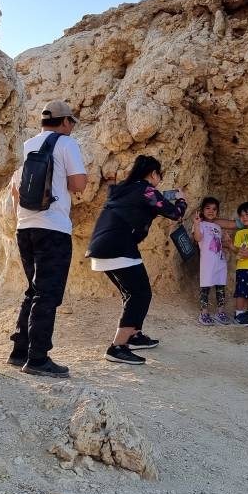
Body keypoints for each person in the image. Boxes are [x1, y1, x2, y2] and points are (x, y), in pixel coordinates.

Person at [9, 100, 87, 378]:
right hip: (53, 228)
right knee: (48, 293)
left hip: (24, 227)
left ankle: (19, 352)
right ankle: (38, 358)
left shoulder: (25, 146)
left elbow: (15, 193)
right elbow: (78, 184)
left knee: (33, 289)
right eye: (72, 123)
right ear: (65, 122)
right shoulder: (66, 144)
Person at [86, 156, 188, 365]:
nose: (159, 180)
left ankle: (134, 335)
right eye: (159, 175)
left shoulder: (123, 189)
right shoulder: (147, 190)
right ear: (153, 174)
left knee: (132, 293)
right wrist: (181, 199)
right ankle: (117, 347)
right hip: (118, 246)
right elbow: (176, 214)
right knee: (140, 293)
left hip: (100, 247)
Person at [192, 197, 230, 326]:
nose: (211, 211)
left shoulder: (217, 227)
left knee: (220, 287)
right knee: (206, 287)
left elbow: (218, 243)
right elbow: (198, 238)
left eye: (214, 209)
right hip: (207, 262)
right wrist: (196, 224)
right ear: (202, 210)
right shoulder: (200, 224)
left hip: (220, 261)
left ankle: (220, 312)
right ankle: (204, 313)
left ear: (217, 212)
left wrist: (226, 240)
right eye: (207, 208)